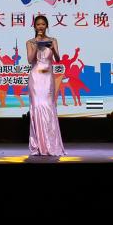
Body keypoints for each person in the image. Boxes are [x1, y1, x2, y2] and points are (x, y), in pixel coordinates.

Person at [26, 15, 66, 156]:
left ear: (46, 26)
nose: (41, 26)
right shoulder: (30, 42)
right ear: (35, 27)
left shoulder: (53, 40)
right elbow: (30, 60)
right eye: (38, 24)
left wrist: (53, 49)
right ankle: (38, 145)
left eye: (43, 24)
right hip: (36, 77)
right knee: (37, 107)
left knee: (48, 107)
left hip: (48, 77)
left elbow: (58, 59)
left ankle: (51, 144)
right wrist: (37, 45)